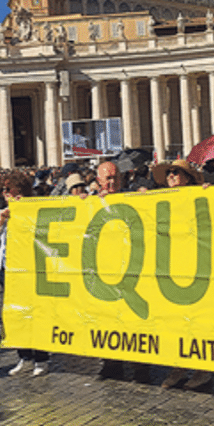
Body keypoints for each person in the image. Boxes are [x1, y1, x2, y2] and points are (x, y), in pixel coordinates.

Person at [149, 160, 213, 391]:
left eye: (177, 172)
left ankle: (202, 370)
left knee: (197, 320)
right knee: (176, 321)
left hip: (197, 264)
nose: (172, 176)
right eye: (169, 173)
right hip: (172, 265)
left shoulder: (200, 196)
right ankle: (178, 366)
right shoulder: (164, 198)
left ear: (189, 178)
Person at [0, 172, 50, 376]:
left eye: (9, 191)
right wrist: (0, 223)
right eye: (5, 191)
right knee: (16, 314)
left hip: (30, 269)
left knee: (35, 314)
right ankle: (24, 357)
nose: (5, 194)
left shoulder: (35, 211)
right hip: (7, 269)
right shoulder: (1, 213)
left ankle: (42, 358)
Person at [92, 161, 151, 383]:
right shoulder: (90, 202)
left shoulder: (133, 197)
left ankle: (140, 367)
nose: (111, 182)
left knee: (134, 321)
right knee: (108, 319)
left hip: (133, 269)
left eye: (115, 177)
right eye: (106, 178)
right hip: (105, 270)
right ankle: (111, 364)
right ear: (98, 181)